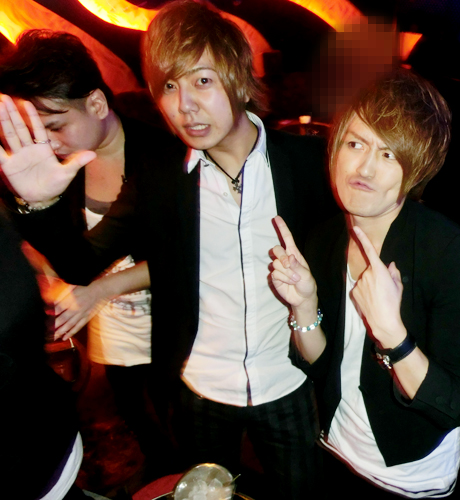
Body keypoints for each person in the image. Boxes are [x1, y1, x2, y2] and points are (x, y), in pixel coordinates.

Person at [0, 2, 335, 496]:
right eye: (169, 87)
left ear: (238, 78)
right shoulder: (159, 177)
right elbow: (81, 264)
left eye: (202, 81)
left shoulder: (309, 163)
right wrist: (41, 204)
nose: (185, 106)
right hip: (198, 389)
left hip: (288, 378)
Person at [271, 69, 460, 498]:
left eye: (389, 153)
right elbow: (320, 365)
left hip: (410, 477)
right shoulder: (324, 239)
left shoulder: (445, 251)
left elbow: (451, 406)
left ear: (417, 167)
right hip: (337, 449)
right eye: (355, 144)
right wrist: (304, 306)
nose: (365, 168)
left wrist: (393, 336)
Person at [0, 29, 166, 459]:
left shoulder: (162, 154)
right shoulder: (52, 165)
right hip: (111, 328)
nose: (49, 143)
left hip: (173, 325)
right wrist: (39, 207)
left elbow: (188, 255)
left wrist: (99, 288)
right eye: (38, 132)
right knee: (137, 416)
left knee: (177, 424)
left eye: (55, 126)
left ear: (95, 103)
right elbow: (69, 261)